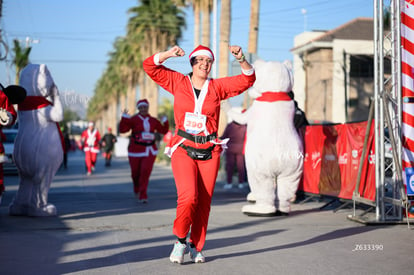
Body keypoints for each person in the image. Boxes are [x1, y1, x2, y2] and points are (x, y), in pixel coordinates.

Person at [143, 44, 255, 264]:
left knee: (203, 202)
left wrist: (241, 59)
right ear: (192, 63)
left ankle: (196, 246)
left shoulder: (218, 86)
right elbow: (149, 66)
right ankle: (180, 241)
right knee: (189, 197)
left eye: (208, 61)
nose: (204, 64)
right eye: (200, 60)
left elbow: (248, 79)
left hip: (210, 150)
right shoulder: (178, 82)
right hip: (183, 147)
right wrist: (167, 54)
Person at [119, 99, 169, 203]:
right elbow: (123, 130)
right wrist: (124, 118)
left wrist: (165, 121)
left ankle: (143, 195)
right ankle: (136, 188)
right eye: (141, 107)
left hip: (150, 151)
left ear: (148, 108)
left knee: (145, 172)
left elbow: (163, 130)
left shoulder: (153, 120)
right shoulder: (133, 119)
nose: (143, 109)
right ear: (138, 108)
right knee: (135, 174)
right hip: (135, 150)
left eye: (145, 107)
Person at [220, 114, 247, 189]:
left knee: (229, 166)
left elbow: (224, 136)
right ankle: (241, 183)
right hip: (241, 149)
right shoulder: (244, 127)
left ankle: (229, 183)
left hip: (230, 148)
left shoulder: (230, 126)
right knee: (241, 167)